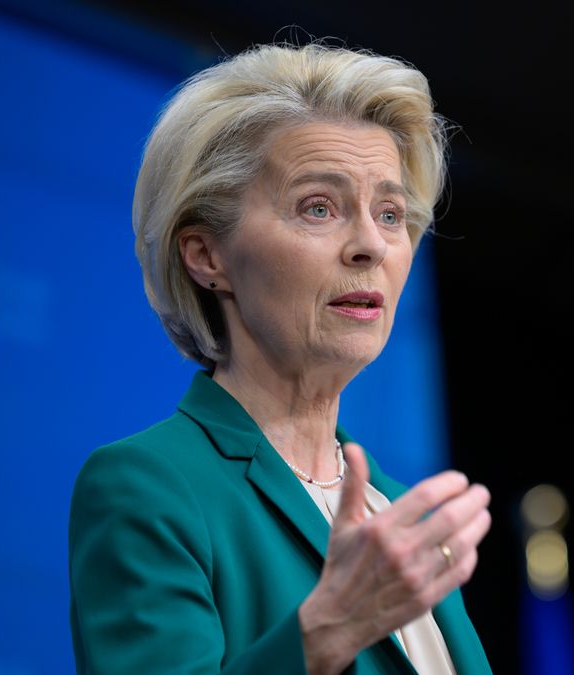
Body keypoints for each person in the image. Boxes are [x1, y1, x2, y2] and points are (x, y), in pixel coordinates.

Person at [68, 43, 493, 674]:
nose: (372, 245)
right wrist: (326, 632)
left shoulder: (396, 515)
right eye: (318, 207)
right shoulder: (147, 487)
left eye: (390, 212)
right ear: (207, 256)